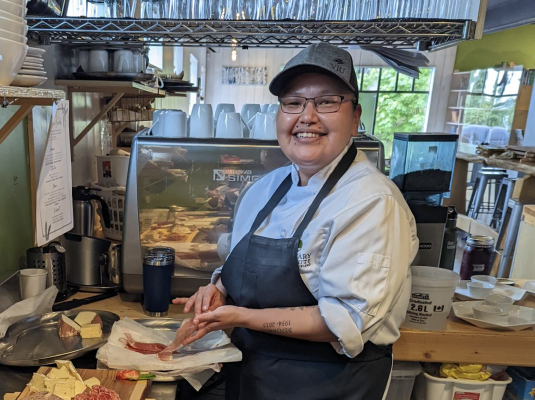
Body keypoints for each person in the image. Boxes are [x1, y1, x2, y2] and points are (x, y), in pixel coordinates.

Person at [173, 43, 419, 400]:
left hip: (329, 385)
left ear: (355, 117)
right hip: (251, 379)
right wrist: (219, 290)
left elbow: (344, 321)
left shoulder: (372, 203)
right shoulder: (264, 188)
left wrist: (239, 317)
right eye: (293, 102)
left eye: (326, 102)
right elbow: (237, 266)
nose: (307, 116)